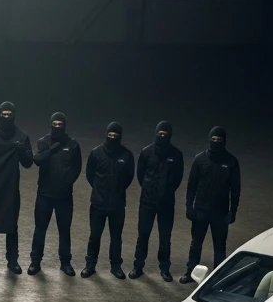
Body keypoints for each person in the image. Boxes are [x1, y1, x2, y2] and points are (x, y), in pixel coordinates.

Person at [180, 125, 241, 283]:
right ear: (209, 140)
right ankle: (190, 272)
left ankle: (218, 278)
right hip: (200, 210)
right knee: (196, 244)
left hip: (220, 213)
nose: (215, 142)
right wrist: (189, 206)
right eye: (213, 140)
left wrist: (232, 211)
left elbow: (235, 190)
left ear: (224, 141)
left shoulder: (231, 162)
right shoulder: (200, 159)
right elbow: (191, 185)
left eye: (219, 140)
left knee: (220, 247)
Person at [0, 101, 32, 274]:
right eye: (4, 114)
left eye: (9, 114)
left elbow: (28, 163)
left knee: (12, 225)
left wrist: (23, 150)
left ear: (14, 115)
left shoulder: (22, 136)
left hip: (11, 189)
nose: (6, 117)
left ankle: (13, 260)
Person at [29, 112, 82, 276]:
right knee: (40, 229)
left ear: (65, 126)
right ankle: (35, 262)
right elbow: (36, 160)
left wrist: (68, 182)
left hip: (64, 196)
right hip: (44, 194)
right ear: (50, 124)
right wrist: (51, 150)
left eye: (60, 124)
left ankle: (65, 263)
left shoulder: (72, 144)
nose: (57, 127)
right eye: (55, 124)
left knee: (64, 230)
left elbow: (77, 167)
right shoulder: (43, 142)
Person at [130, 120, 184, 281]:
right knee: (143, 235)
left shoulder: (176, 154)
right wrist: (149, 189)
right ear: (156, 134)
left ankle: (165, 269)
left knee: (165, 237)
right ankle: (138, 266)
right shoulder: (146, 152)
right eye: (160, 134)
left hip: (167, 203)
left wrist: (166, 191)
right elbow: (140, 175)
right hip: (147, 202)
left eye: (165, 135)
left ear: (169, 136)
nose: (162, 137)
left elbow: (178, 178)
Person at [83, 122, 134, 278]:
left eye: (115, 136)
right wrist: (99, 190)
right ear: (106, 135)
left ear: (119, 137)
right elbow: (90, 175)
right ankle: (90, 265)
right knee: (95, 236)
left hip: (117, 204)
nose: (112, 138)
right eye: (110, 135)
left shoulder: (126, 155)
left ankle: (116, 266)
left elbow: (129, 177)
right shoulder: (96, 153)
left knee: (116, 237)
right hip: (98, 203)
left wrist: (118, 191)